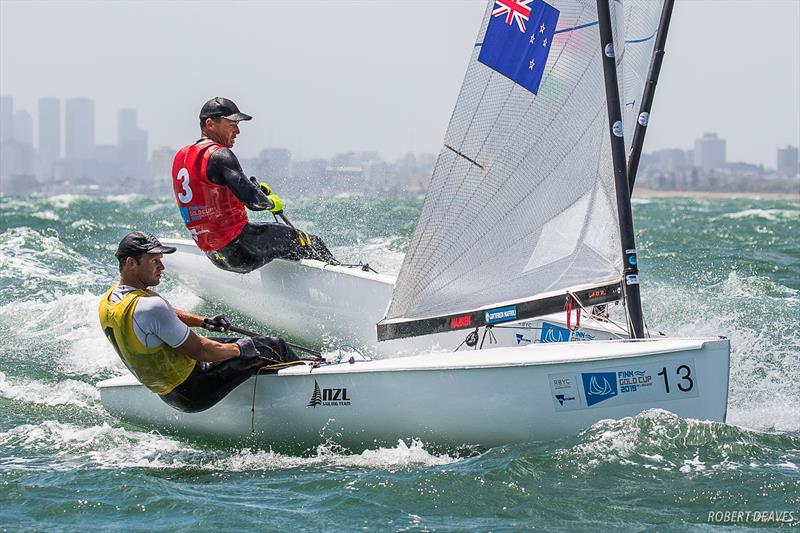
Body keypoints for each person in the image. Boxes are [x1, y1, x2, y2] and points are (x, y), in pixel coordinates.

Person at [98, 231, 301, 413]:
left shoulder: (111, 301)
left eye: (161, 259)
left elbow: (162, 316)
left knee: (240, 345)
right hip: (195, 388)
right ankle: (304, 388)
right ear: (131, 263)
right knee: (272, 346)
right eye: (154, 261)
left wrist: (203, 321)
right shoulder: (150, 307)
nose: (162, 267)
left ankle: (261, 376)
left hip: (169, 390)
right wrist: (242, 350)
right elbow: (201, 351)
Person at [171, 96, 335, 274]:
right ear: (210, 124)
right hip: (241, 248)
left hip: (215, 254)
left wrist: (256, 190)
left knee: (280, 240)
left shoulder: (181, 157)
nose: (238, 131)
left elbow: (209, 192)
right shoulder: (220, 154)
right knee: (311, 242)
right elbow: (253, 201)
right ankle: (341, 281)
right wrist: (270, 202)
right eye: (232, 125)